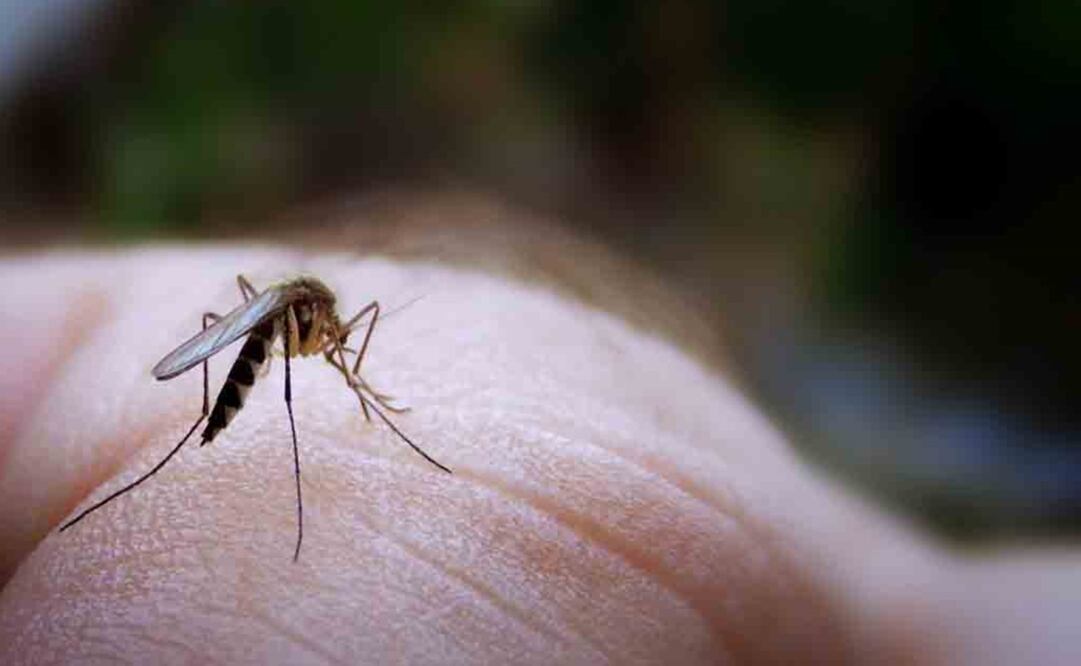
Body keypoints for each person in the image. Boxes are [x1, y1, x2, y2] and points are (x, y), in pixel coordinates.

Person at [0, 213, 1077, 664]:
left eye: (330, 335)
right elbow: (280, 330)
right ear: (317, 315)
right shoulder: (300, 313)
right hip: (247, 345)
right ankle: (199, 443)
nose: (337, 339)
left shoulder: (319, 312)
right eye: (330, 333)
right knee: (264, 384)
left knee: (260, 354)